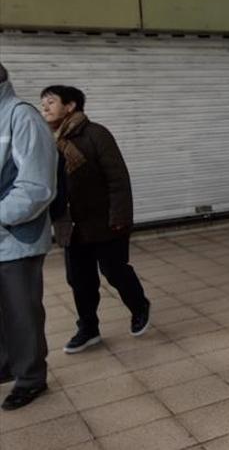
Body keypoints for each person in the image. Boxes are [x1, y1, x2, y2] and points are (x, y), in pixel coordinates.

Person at [39, 85, 150, 354]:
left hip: (106, 221)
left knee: (114, 271)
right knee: (79, 279)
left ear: (71, 106)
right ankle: (88, 329)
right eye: (42, 102)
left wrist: (120, 217)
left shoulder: (96, 134)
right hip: (71, 225)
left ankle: (139, 307)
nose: (44, 107)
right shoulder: (47, 140)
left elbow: (118, 179)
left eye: (51, 102)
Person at [0, 62, 54, 410]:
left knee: (21, 312)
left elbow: (37, 187)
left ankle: (32, 377)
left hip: (15, 239)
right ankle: (6, 365)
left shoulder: (21, 116)